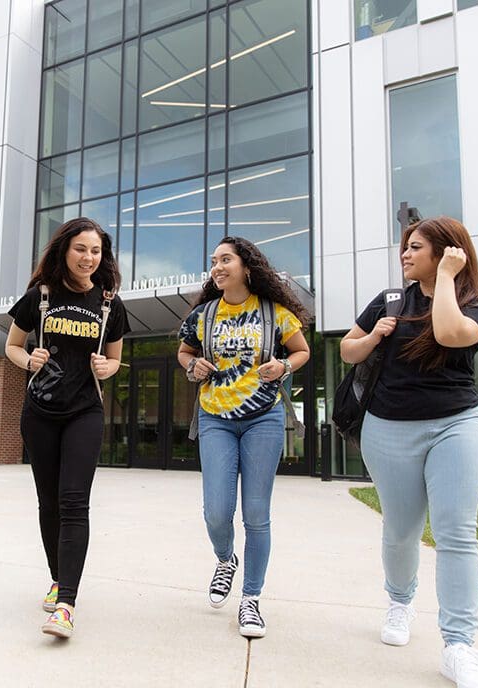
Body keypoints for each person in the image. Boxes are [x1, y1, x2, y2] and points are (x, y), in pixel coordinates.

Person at [341, 217, 478, 688]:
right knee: (402, 530)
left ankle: (460, 646)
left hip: (457, 425)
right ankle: (400, 601)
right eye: (405, 247)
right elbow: (348, 350)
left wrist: (446, 279)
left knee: (456, 533)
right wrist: (372, 339)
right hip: (388, 429)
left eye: (416, 247)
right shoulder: (389, 301)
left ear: (446, 252)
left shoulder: (476, 303)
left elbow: (450, 335)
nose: (405, 254)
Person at [177, 236, 310, 638]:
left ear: (247, 266)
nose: (217, 267)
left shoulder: (277, 312)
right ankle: (224, 559)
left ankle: (250, 600)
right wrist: (193, 365)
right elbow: (184, 353)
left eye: (225, 260)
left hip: (263, 419)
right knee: (216, 510)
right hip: (215, 416)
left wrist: (283, 367)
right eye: (213, 261)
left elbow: (301, 351)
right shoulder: (203, 315)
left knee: (256, 513)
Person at [5, 218, 130, 639]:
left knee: (75, 500)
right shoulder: (39, 297)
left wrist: (105, 367)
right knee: (49, 502)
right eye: (81, 249)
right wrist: (29, 361)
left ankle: (66, 604)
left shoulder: (109, 304)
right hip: (39, 412)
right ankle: (58, 577)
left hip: (84, 411)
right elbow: (11, 346)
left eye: (95, 251)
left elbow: (113, 360)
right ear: (64, 250)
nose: (88, 258)